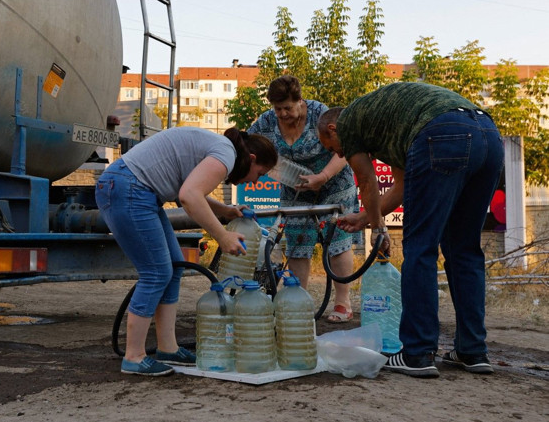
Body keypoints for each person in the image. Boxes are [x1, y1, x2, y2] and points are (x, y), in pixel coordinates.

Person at [317, 82, 504, 378]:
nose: (340, 154)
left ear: (332, 128)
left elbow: (367, 182)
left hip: (441, 133)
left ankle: (417, 353)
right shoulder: (388, 125)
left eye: (333, 149)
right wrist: (367, 218)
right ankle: (472, 350)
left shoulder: (349, 122)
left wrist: (379, 231)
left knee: (421, 247)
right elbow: (402, 186)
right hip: (488, 136)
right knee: (464, 249)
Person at [95, 126, 278, 376]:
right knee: (157, 273)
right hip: (129, 189)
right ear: (252, 159)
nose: (256, 181)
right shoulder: (226, 153)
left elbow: (187, 191)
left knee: (173, 267)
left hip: (134, 189)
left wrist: (224, 211)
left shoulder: (221, 149)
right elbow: (190, 196)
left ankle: (168, 348)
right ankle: (134, 357)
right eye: (260, 173)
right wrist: (222, 236)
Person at [248, 75, 361, 323]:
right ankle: (297, 301)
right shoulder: (267, 121)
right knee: (298, 243)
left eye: (287, 107)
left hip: (333, 181)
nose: (282, 114)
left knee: (338, 239)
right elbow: (248, 144)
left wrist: (322, 176)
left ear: (300, 101)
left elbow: (345, 148)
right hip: (294, 187)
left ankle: (343, 303)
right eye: (277, 109)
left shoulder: (320, 114)